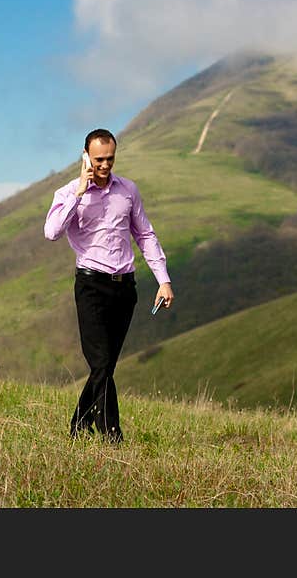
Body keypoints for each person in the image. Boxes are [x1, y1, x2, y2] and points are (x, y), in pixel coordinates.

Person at [44, 128, 174, 443]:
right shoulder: (67, 194)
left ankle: (78, 425)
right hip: (91, 286)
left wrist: (163, 280)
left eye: (110, 158)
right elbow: (52, 232)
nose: (105, 165)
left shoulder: (128, 190)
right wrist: (79, 190)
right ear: (86, 156)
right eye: (99, 159)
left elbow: (145, 235)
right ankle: (112, 434)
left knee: (106, 366)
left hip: (124, 287)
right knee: (100, 362)